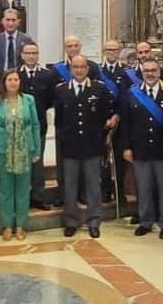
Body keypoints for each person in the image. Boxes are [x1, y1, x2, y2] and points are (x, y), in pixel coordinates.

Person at [55, 55, 115, 238]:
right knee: (70, 186)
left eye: (82, 67)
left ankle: (94, 220)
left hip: (92, 146)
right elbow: (59, 120)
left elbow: (107, 115)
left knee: (92, 185)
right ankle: (71, 221)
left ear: (87, 69)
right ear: (71, 69)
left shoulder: (99, 89)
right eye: (75, 67)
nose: (79, 70)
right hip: (70, 146)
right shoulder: (61, 90)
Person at [121, 57, 163, 239]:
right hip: (140, 149)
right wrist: (127, 147)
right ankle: (145, 221)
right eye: (146, 71)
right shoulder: (132, 93)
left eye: (153, 70)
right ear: (141, 73)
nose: (150, 74)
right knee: (143, 188)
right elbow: (126, 124)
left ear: (159, 72)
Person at [0, 70, 41, 240]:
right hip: (3, 150)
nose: (13, 82)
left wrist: (37, 149)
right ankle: (7, 225)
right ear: (4, 82)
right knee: (5, 189)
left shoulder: (29, 100)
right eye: (9, 79)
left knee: (23, 189)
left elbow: (35, 125)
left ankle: (20, 225)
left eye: (16, 79)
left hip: (25, 149)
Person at [50, 35, 101, 205]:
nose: (72, 48)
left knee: (88, 168)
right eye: (69, 46)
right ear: (65, 48)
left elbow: (99, 95)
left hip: (88, 127)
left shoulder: (93, 67)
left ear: (80, 46)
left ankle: (84, 195)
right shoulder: (57, 70)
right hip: (67, 127)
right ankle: (63, 195)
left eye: (75, 45)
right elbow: (56, 100)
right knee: (65, 167)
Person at [18, 42, 55, 211]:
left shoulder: (47, 75)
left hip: (39, 124)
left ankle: (38, 197)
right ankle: (22, 197)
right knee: (21, 162)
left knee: (37, 163)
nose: (31, 56)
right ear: (22, 55)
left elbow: (50, 100)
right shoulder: (15, 75)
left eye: (34, 53)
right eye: (28, 53)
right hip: (18, 126)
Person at [99, 39, 130, 206]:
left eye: (115, 50)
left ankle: (119, 192)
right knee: (102, 159)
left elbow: (127, 97)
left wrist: (117, 116)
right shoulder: (97, 70)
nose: (111, 52)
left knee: (119, 158)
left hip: (120, 121)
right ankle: (105, 191)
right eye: (108, 49)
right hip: (101, 121)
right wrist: (104, 118)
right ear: (104, 51)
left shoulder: (126, 72)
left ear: (119, 52)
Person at [0, 8, 33, 76]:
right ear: (3, 21)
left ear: (18, 22)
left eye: (13, 20)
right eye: (8, 20)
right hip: (0, 78)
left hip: (20, 78)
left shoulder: (26, 39)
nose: (10, 23)